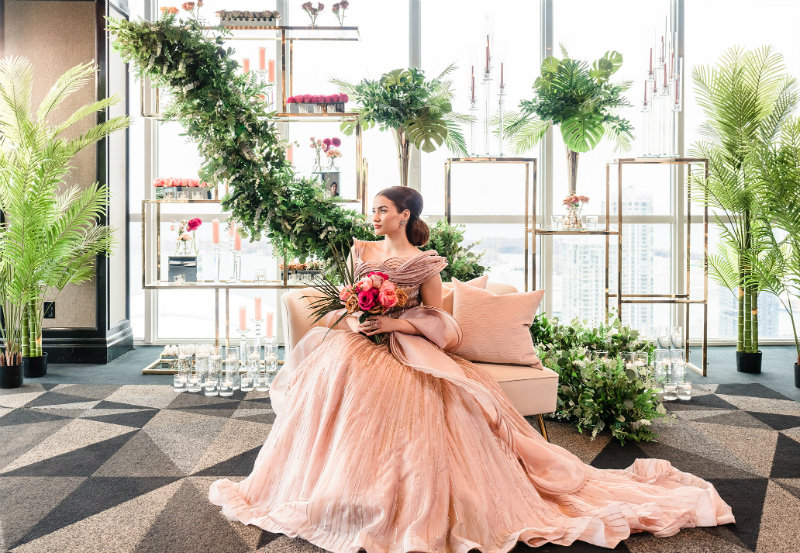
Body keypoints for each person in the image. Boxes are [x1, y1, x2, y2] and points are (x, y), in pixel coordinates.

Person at [209, 186, 734, 552]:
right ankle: (336, 491)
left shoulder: (426, 262)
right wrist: (359, 315)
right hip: (356, 345)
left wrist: (396, 324)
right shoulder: (361, 250)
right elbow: (346, 301)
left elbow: (445, 323)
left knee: (418, 404)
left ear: (404, 215)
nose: (374, 217)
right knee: (332, 391)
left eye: (382, 210)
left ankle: (400, 501)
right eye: (372, 210)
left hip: (405, 346)